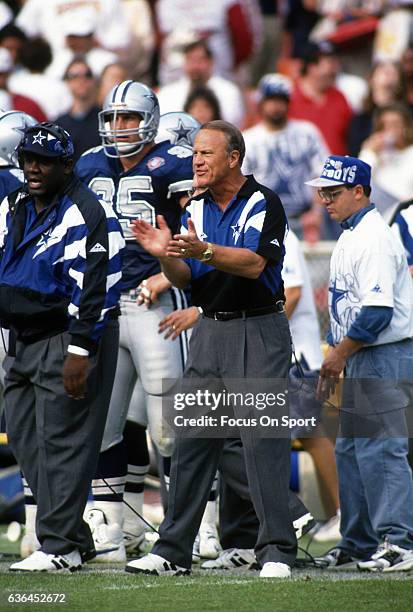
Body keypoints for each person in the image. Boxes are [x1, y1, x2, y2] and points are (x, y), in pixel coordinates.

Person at [127, 120, 298, 579]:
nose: (196, 161)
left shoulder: (264, 201)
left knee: (263, 443)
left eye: (205, 153)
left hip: (258, 329)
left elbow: (253, 262)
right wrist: (166, 254)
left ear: (233, 158)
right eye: (195, 153)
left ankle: (278, 550)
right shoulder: (195, 207)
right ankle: (172, 551)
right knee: (192, 443)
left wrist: (201, 251)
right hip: (209, 332)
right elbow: (187, 279)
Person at [76, 83, 196, 562]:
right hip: (107, 307)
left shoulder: (175, 163)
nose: (116, 127)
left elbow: (200, 230)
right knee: (105, 425)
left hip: (155, 304)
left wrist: (167, 280)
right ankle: (113, 531)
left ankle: (185, 529)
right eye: (111, 118)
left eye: (127, 118)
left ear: (148, 119)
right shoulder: (87, 164)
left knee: (169, 426)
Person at [1, 121, 124, 572]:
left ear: (66, 165)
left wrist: (80, 349)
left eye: (45, 161)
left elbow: (99, 285)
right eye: (29, 159)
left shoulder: (89, 210)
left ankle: (60, 548)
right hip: (22, 337)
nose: (34, 168)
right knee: (24, 437)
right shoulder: (13, 204)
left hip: (66, 335)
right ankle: (75, 535)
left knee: (63, 442)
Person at [306, 155, 413, 571]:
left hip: (383, 353)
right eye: (323, 192)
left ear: (359, 192)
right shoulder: (351, 233)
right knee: (351, 450)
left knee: (383, 448)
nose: (325, 200)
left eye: (333, 193)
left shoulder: (373, 236)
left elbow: (377, 312)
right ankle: (360, 542)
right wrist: (339, 352)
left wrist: (338, 353)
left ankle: (400, 541)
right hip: (361, 354)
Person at [242, 72, 328, 241]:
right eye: (271, 99)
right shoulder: (248, 139)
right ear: (261, 103)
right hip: (263, 219)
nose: (276, 105)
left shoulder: (307, 132)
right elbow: (241, 184)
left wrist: (316, 212)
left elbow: (324, 174)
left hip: (305, 219)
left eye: (281, 100)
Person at [157, 40, 246, 128]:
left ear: (211, 62)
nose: (195, 66)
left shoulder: (229, 91)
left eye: (200, 60)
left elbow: (233, 124)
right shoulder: (167, 93)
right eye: (191, 60)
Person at [55, 58, 101, 161]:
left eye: (87, 75)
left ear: (94, 80)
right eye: (75, 76)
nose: (82, 80)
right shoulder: (58, 126)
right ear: (67, 81)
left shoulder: (105, 120)